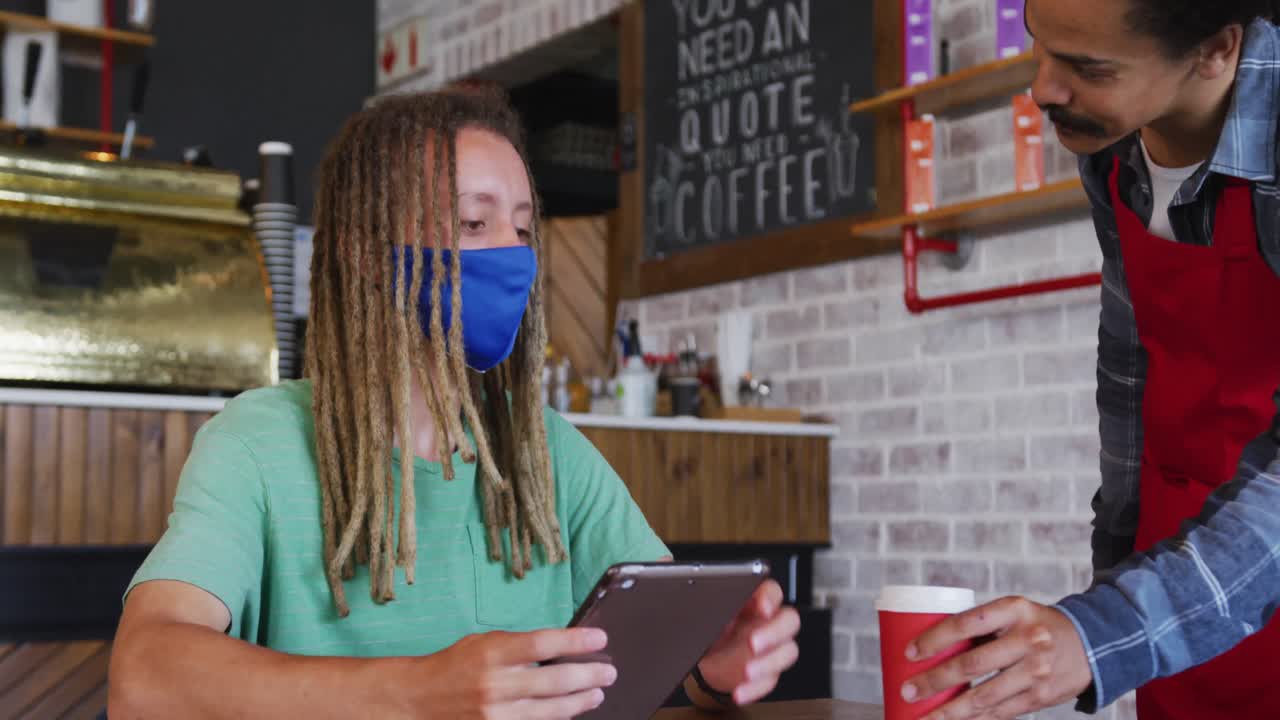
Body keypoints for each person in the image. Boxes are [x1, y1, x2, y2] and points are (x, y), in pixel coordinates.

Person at [108, 88, 800, 719]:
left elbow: (656, 652)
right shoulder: (257, 443)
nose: (512, 255)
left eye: (524, 230)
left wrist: (710, 665)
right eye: (473, 223)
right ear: (362, 251)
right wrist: (420, 692)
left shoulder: (544, 451)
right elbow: (143, 676)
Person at [898, 2, 1280, 719]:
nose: (1043, 88)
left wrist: (1110, 628)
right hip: (1180, 588)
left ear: (1216, 51)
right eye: (1041, 48)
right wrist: (1112, 591)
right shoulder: (1113, 152)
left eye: (1088, 68)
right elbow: (1129, 373)